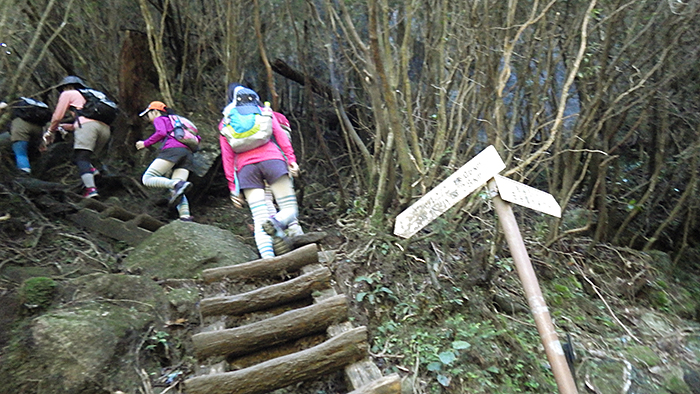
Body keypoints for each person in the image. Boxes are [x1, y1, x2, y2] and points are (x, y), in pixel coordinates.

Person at [219, 85, 300, 258]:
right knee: (289, 209)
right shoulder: (265, 112)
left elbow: (227, 157)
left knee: (259, 218)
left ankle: (268, 260)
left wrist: (233, 187)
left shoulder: (226, 121)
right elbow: (281, 137)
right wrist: (291, 160)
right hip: (273, 161)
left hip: (246, 169)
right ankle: (276, 222)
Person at [45, 76, 110, 198]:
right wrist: (65, 126)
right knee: (86, 158)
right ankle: (92, 171)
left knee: (81, 158)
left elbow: (57, 117)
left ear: (65, 87)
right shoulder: (91, 95)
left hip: (88, 128)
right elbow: (86, 121)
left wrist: (51, 130)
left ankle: (91, 190)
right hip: (105, 129)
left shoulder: (68, 93)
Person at [136, 101, 196, 221]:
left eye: (148, 115)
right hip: (188, 153)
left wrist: (145, 143)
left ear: (155, 112)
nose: (148, 118)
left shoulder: (161, 119)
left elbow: (161, 132)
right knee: (178, 189)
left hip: (173, 149)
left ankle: (176, 184)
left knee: (148, 178)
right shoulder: (177, 122)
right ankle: (185, 216)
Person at [0, 100, 48, 173]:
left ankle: (24, 173)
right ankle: (35, 172)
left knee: (20, 153)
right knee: (31, 153)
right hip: (38, 130)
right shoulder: (32, 113)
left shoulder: (12, 111)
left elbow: (2, 123)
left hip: (21, 131)